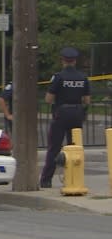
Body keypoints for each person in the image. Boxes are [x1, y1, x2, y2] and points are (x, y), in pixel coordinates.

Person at [39, 46, 91, 188]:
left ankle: (46, 180)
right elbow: (87, 100)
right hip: (77, 114)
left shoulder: (58, 77)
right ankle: (73, 178)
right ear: (75, 61)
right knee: (75, 147)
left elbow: (48, 99)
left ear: (63, 60)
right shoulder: (83, 77)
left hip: (61, 114)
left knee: (54, 148)